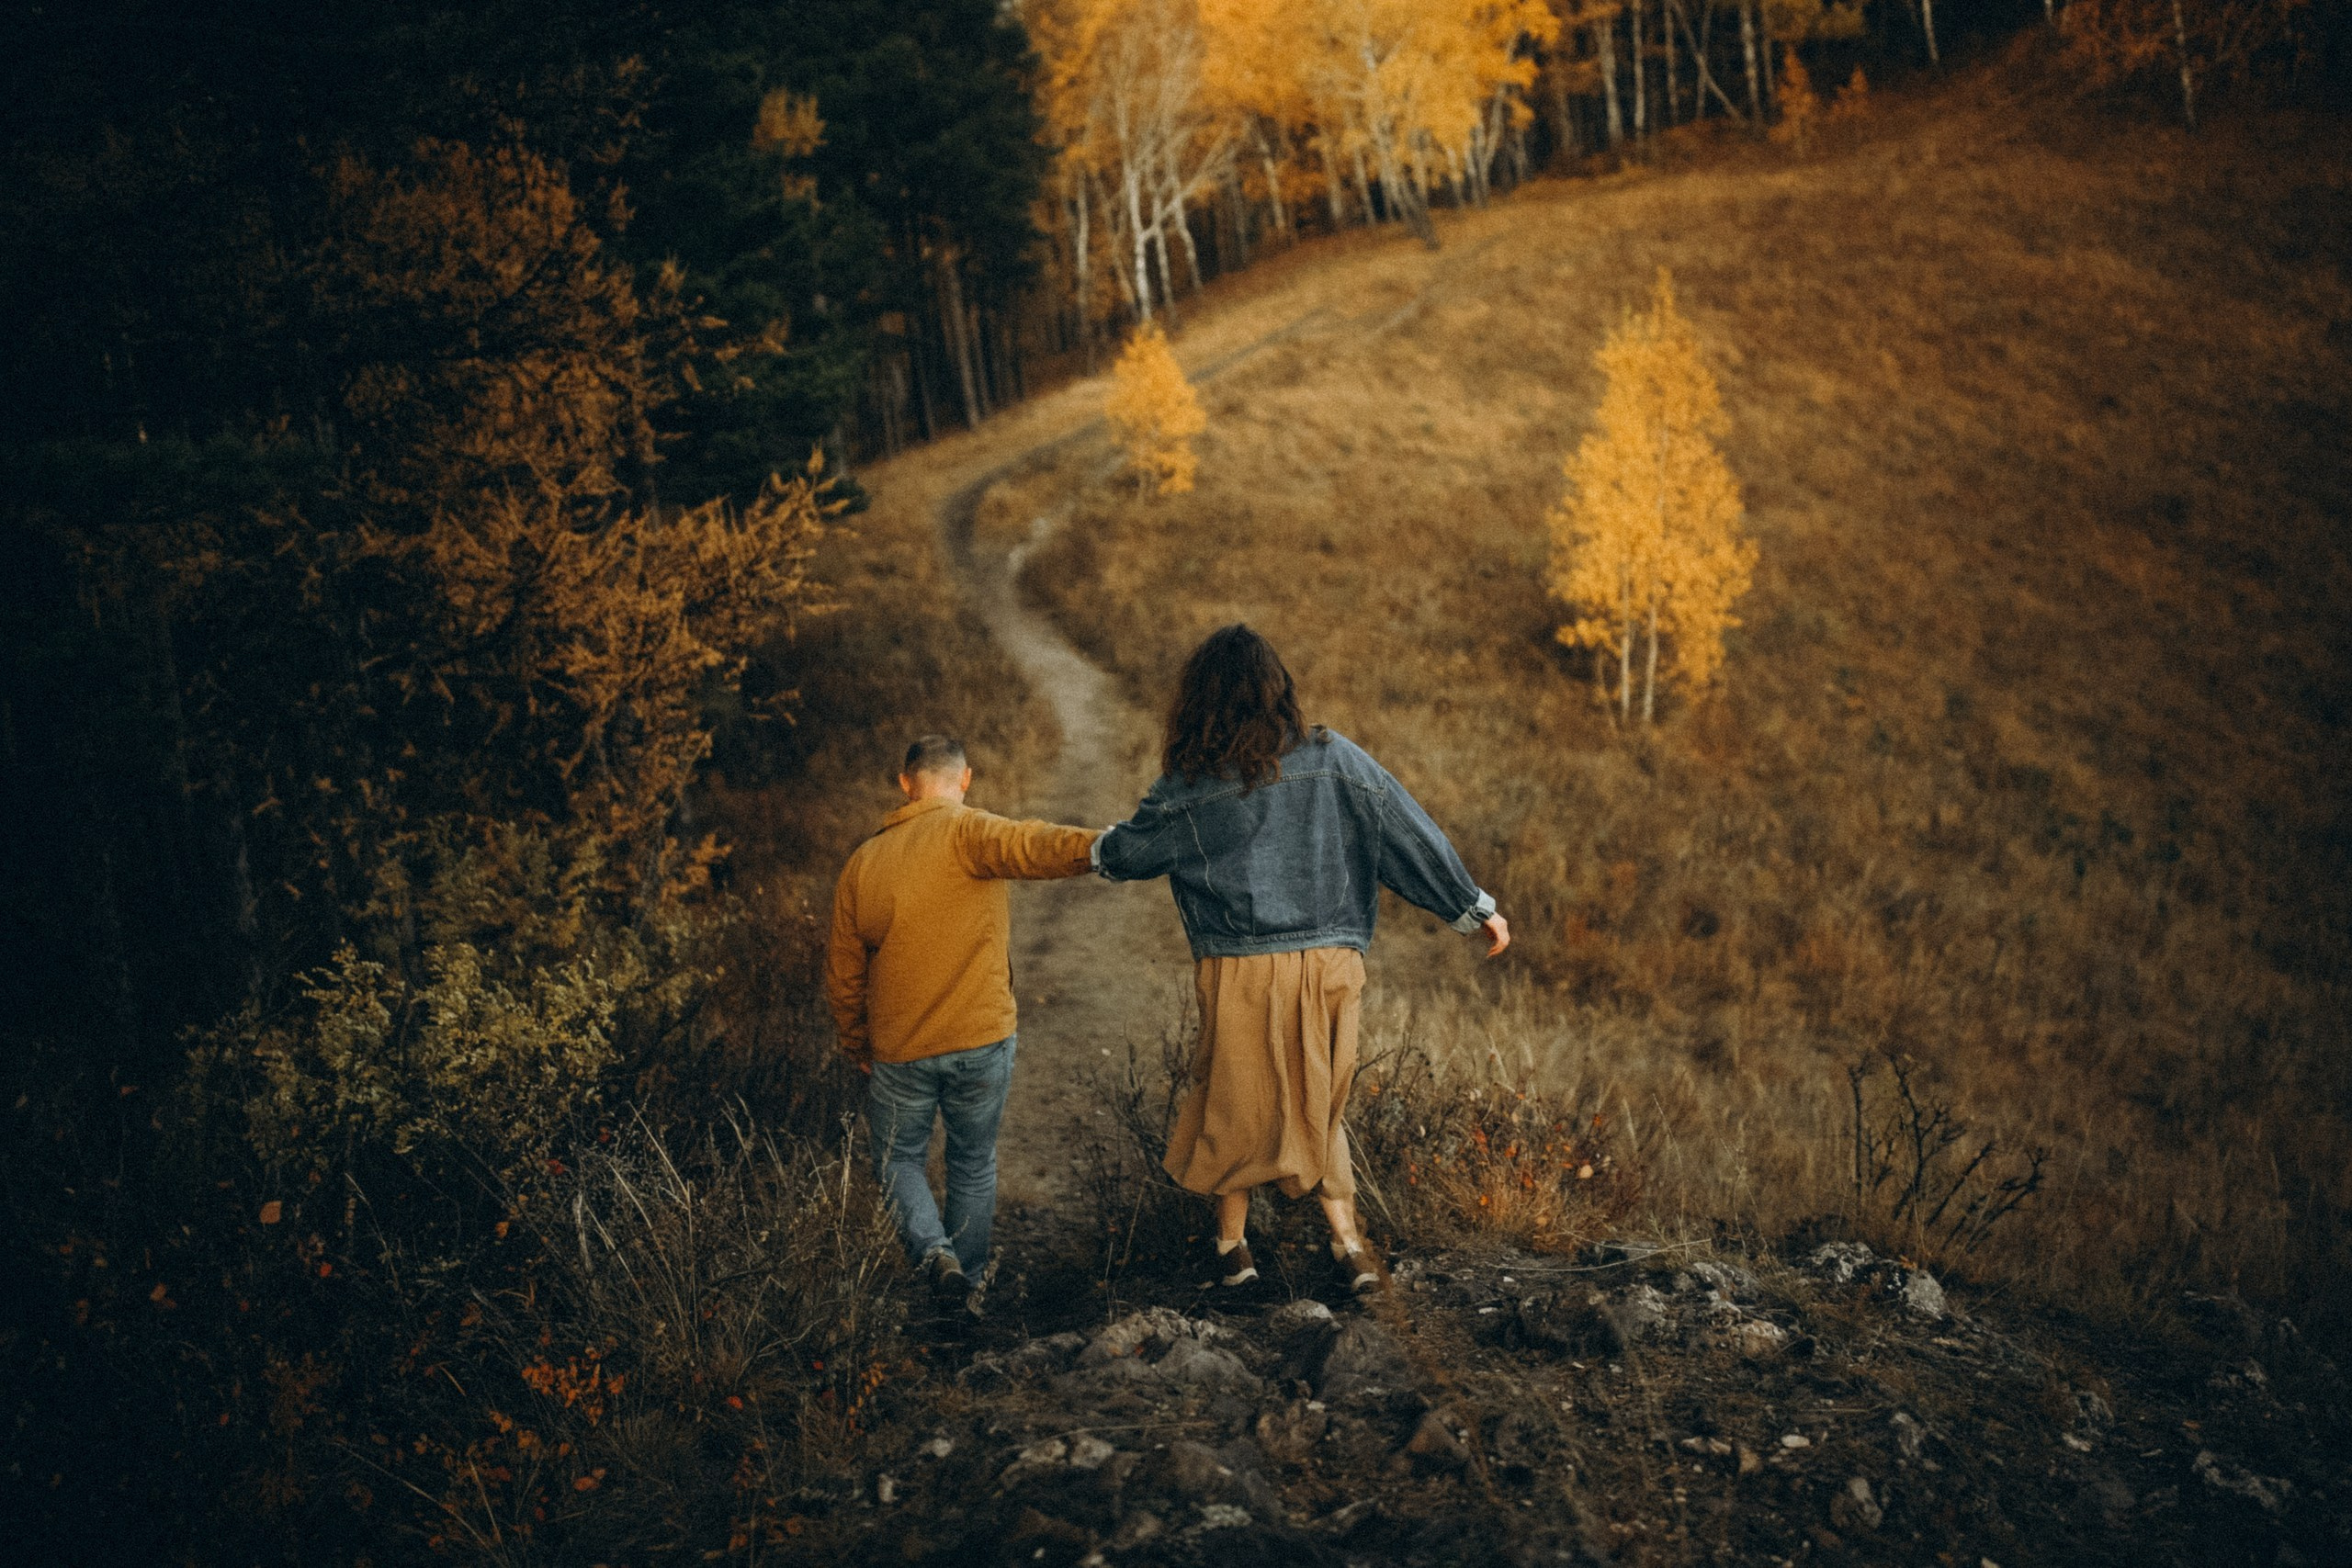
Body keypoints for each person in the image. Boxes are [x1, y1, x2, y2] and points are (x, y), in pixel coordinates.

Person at [1092, 625, 1509, 1294]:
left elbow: (1127, 854)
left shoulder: (1191, 786)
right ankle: (1347, 1246)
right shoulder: (1335, 758)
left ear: (1198, 701)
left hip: (1239, 970)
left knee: (1233, 1099)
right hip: (1329, 962)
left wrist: (1091, 850)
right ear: (1278, 690)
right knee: (1320, 1100)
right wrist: (1471, 905)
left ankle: (1234, 1251)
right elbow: (1405, 826)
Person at [825, 734, 1100, 1311]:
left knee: (900, 1160)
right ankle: (968, 1292)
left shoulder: (862, 865)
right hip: (982, 1038)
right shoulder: (971, 833)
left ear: (905, 783)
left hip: (900, 1049)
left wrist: (858, 1041)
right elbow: (1033, 844)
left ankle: (935, 1257)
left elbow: (844, 974)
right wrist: (1103, 848)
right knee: (972, 1162)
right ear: (965, 779)